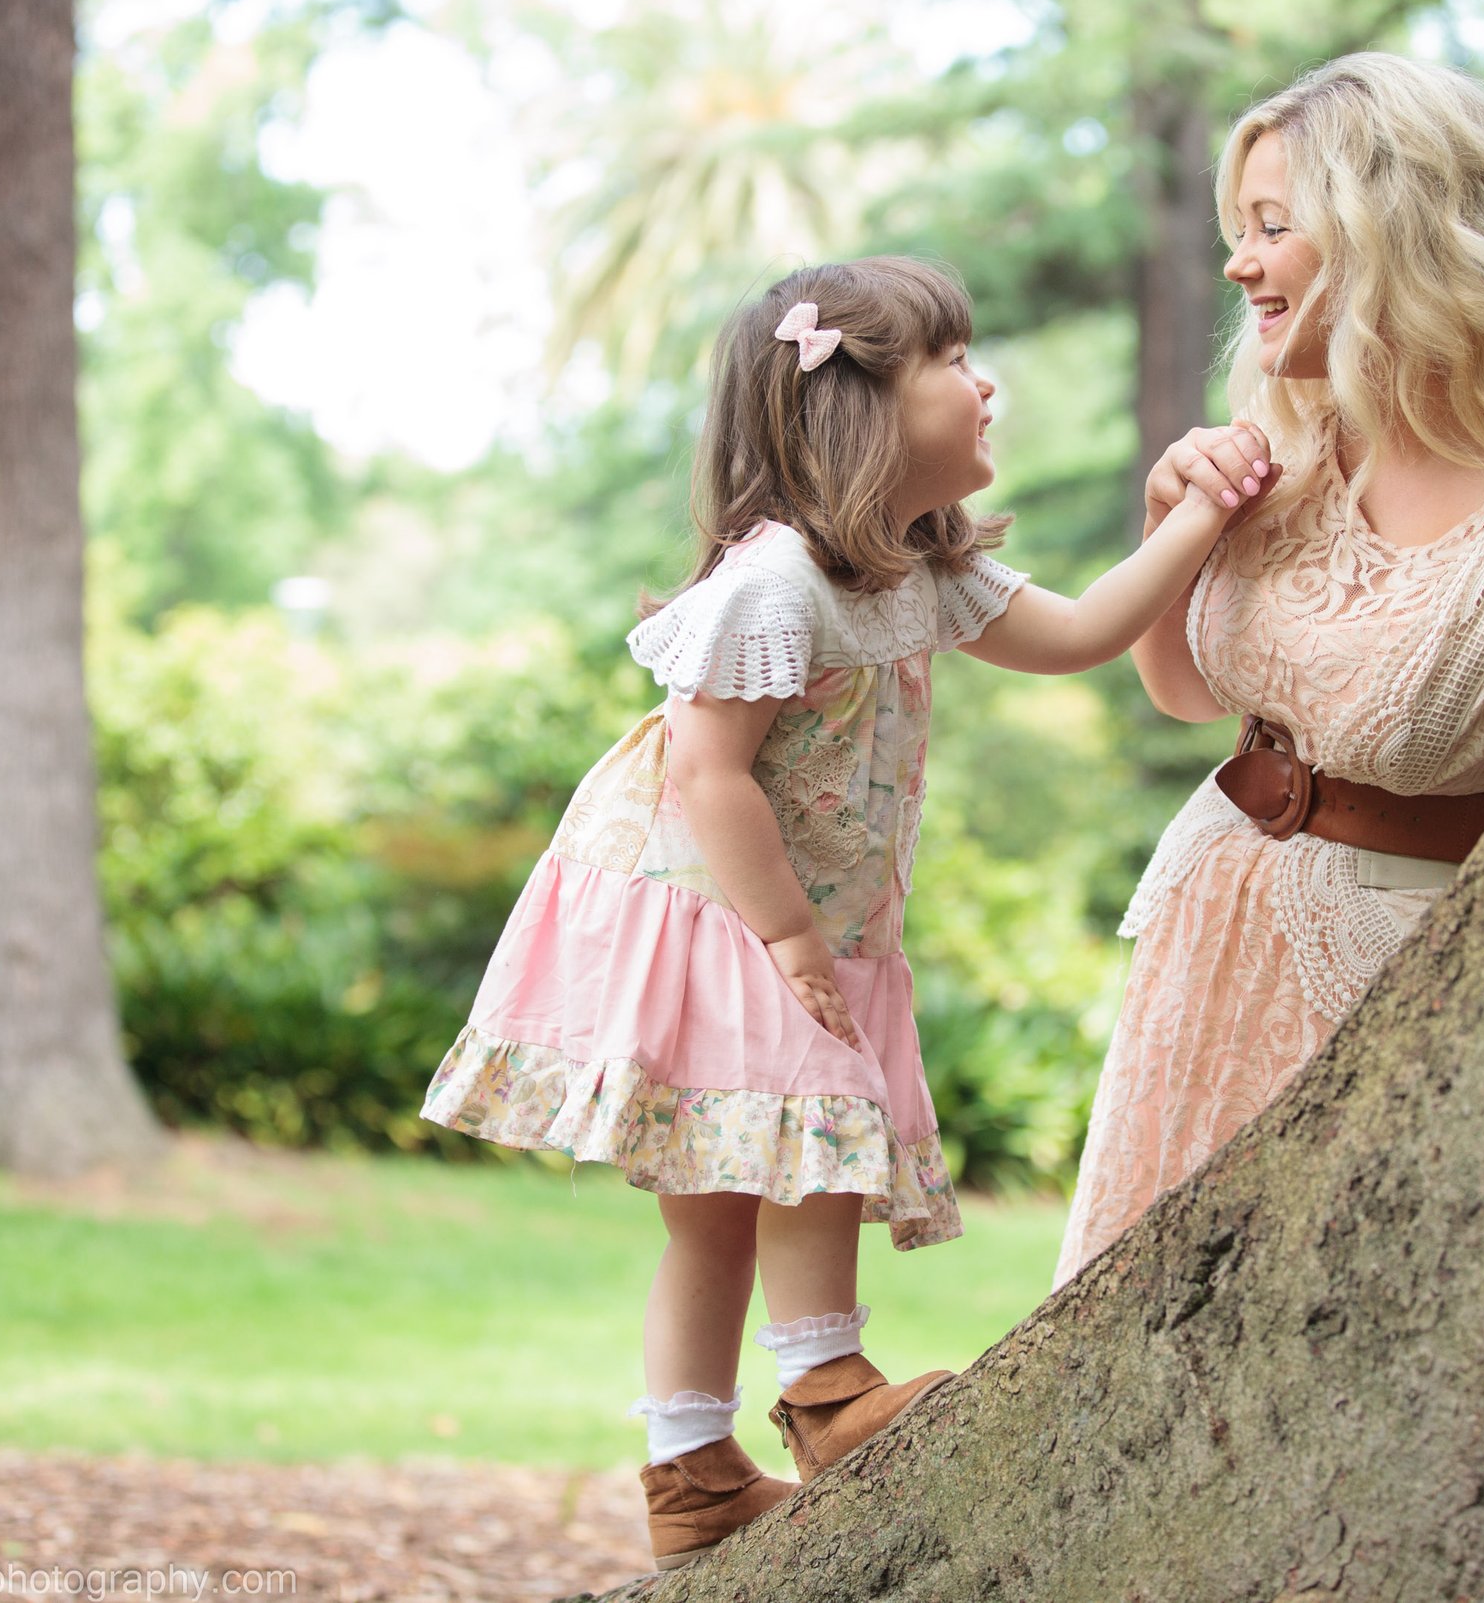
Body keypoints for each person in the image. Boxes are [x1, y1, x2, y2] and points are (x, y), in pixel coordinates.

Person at [420, 256, 1260, 1571]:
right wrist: (793, 938)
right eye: (951, 360)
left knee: (722, 1192)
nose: (987, 384)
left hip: (810, 917)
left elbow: (1090, 626)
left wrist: (1198, 512)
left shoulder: (917, 577)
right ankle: (825, 1391)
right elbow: (706, 772)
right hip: (718, 907)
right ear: (859, 406)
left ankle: (691, 1473)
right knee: (799, 1138)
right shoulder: (777, 583)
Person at [1053, 53, 1484, 1290]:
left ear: (1391, 234)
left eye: (1272, 226)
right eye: (1236, 227)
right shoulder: (1287, 458)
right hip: (1203, 948)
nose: (1238, 262)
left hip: (1400, 1003)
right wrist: (1166, 533)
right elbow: (1189, 698)